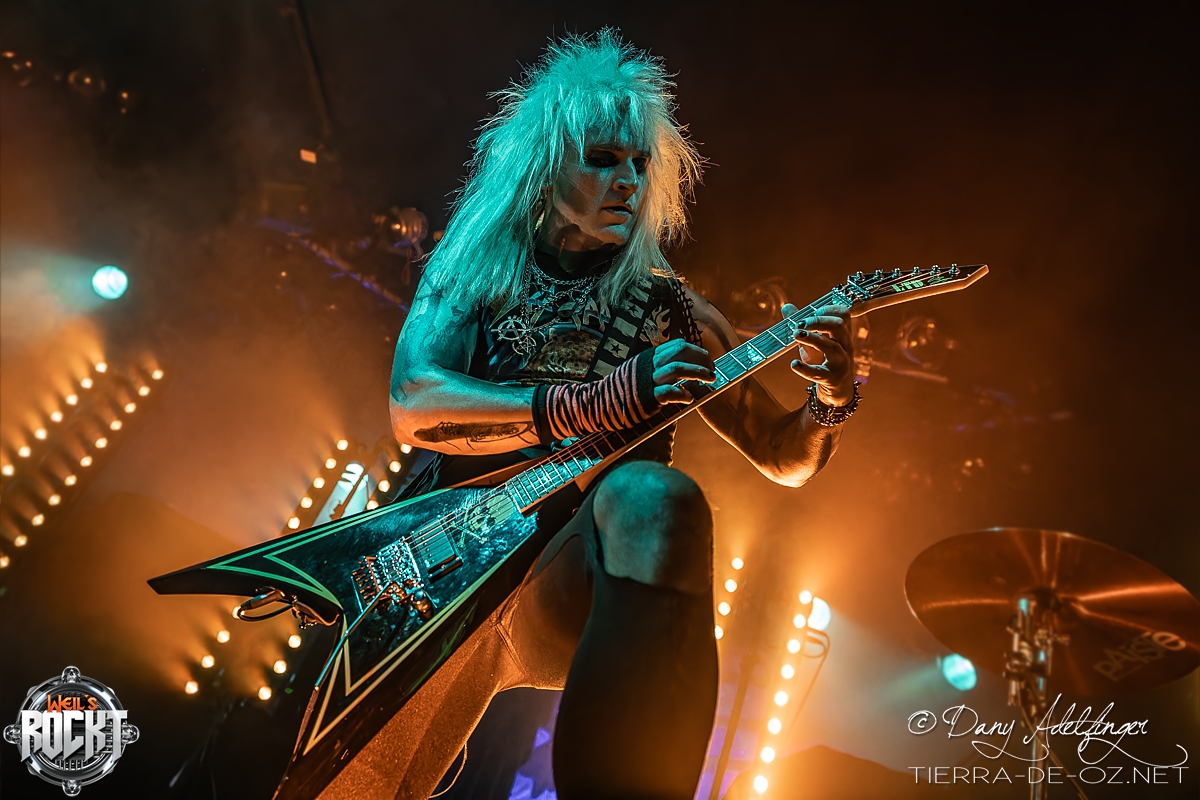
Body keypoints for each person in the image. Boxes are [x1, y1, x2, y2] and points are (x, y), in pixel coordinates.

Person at [336, 31, 858, 800]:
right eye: (604, 159)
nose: (628, 181)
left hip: (568, 575)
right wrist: (588, 404)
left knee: (655, 497)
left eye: (641, 163)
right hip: (448, 569)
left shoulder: (673, 310)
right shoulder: (478, 266)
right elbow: (414, 404)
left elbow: (783, 457)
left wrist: (832, 400)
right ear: (548, 167)